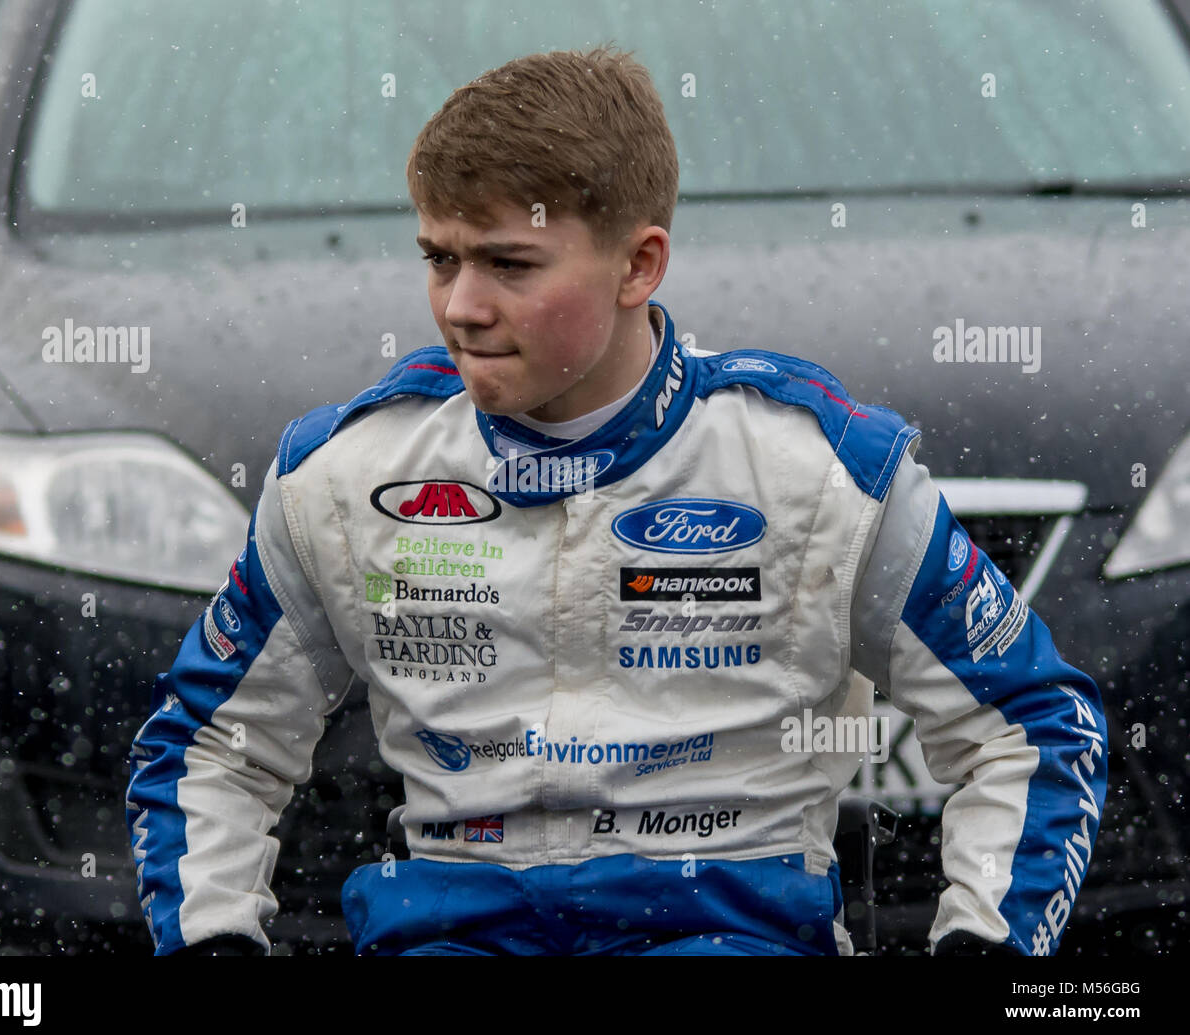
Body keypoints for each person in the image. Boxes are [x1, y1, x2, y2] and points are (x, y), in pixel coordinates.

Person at [125, 46, 1107, 957]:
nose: (461, 303)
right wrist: (212, 938)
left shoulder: (820, 470)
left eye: (508, 263)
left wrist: (986, 946)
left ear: (639, 264)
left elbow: (1030, 722)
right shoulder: (344, 474)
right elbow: (209, 744)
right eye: (439, 258)